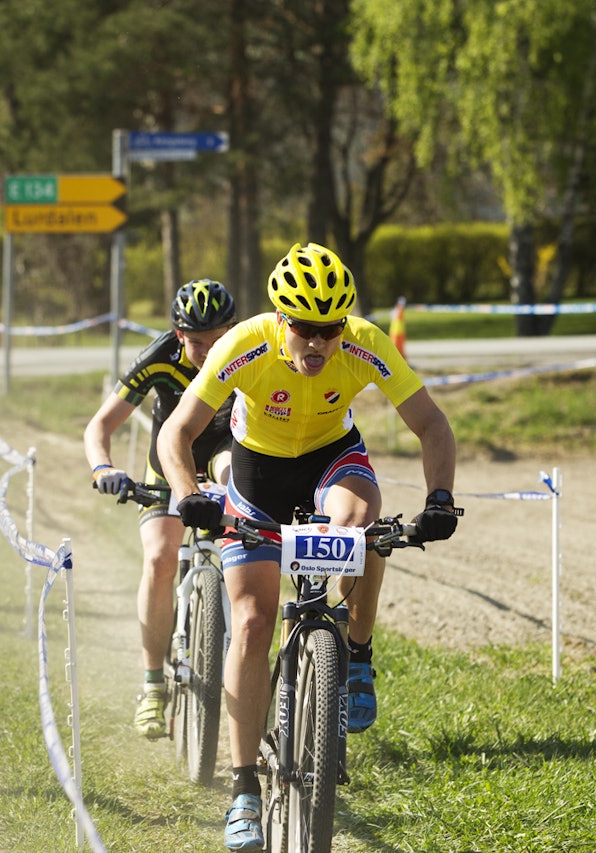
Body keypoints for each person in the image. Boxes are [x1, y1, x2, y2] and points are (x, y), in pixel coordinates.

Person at [157, 243, 461, 850]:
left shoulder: (365, 343)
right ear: (281, 320)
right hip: (257, 473)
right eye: (304, 329)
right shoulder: (243, 343)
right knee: (252, 622)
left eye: (330, 329)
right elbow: (178, 431)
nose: (319, 343)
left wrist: (439, 499)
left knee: (362, 528)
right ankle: (244, 789)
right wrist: (189, 493)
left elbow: (432, 423)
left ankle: (356, 656)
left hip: (331, 459)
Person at [83, 279, 238, 739]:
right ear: (178, 334)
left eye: (218, 341)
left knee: (246, 560)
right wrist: (103, 467)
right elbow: (100, 425)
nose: (208, 353)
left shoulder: (247, 353)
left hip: (224, 457)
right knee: (159, 557)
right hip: (168, 464)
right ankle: (152, 684)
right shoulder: (160, 357)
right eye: (197, 343)